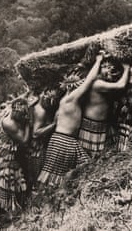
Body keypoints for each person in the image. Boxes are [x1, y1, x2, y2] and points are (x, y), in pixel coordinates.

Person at [37, 53, 103, 188]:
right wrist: (99, 61)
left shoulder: (65, 99)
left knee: (60, 176)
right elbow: (89, 80)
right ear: (74, 86)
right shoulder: (71, 98)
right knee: (56, 179)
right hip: (64, 141)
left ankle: (50, 201)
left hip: (62, 140)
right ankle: (48, 203)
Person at [0, 98, 29, 224]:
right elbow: (24, 140)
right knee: (2, 187)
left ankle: (7, 213)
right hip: (5, 159)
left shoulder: (8, 111)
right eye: (21, 114)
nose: (22, 117)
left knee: (11, 185)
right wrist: (28, 125)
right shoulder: (9, 123)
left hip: (4, 156)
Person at [79, 55, 130, 157]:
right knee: (90, 158)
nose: (109, 69)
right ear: (98, 69)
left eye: (110, 67)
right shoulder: (98, 83)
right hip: (92, 125)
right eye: (105, 67)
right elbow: (120, 85)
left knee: (99, 157)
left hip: (100, 125)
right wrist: (127, 69)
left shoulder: (103, 81)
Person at [23, 89, 59, 193]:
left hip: (36, 149)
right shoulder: (40, 110)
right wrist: (54, 124)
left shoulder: (39, 106)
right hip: (37, 149)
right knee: (38, 181)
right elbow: (36, 133)